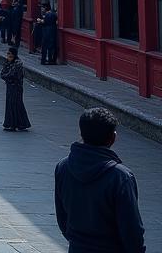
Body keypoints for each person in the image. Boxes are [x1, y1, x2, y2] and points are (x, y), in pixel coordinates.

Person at [54, 106, 145, 253]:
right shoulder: (120, 177)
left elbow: (62, 218)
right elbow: (131, 229)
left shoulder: (63, 167)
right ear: (113, 138)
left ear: (81, 133)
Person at [0, 47, 31, 132]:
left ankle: (17, 124)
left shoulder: (18, 64)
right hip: (10, 86)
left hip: (16, 87)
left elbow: (12, 75)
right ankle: (10, 123)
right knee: (10, 104)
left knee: (16, 104)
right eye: (8, 54)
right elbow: (2, 74)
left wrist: (7, 77)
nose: (8, 55)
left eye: (10, 54)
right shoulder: (7, 63)